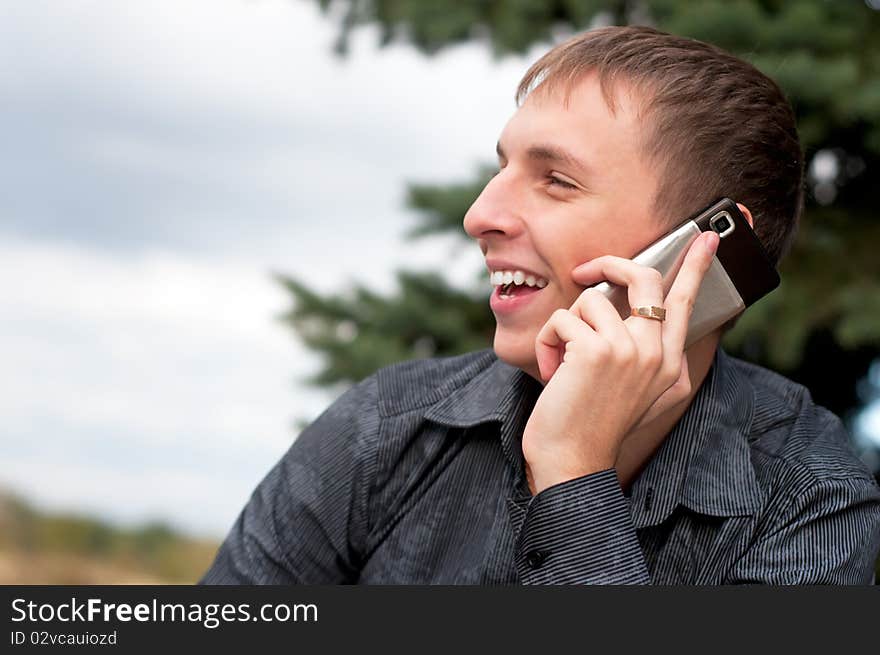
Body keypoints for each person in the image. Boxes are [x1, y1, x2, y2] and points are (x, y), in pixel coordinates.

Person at [201, 26, 880, 584]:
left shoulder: (812, 505)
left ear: (703, 254)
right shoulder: (387, 427)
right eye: (502, 168)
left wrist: (573, 474)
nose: (480, 215)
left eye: (556, 180)